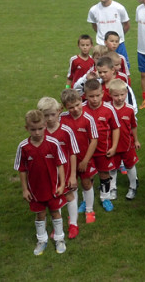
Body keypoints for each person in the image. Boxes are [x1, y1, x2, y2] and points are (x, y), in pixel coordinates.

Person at [15, 110, 67, 255]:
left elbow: (60, 164)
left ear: (45, 126)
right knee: (40, 214)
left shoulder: (53, 143)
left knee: (56, 213)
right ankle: (42, 240)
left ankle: (59, 238)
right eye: (33, 129)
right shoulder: (23, 147)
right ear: (27, 128)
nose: (37, 132)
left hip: (53, 187)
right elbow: (22, 170)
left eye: (40, 128)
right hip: (35, 190)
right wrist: (25, 190)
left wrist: (62, 184)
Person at [37, 97, 80, 240]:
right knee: (55, 198)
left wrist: (73, 175)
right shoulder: (40, 132)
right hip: (49, 174)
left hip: (66, 171)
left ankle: (73, 224)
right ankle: (58, 227)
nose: (49, 119)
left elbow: (73, 153)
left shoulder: (66, 130)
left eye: (52, 114)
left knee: (69, 195)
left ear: (59, 112)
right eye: (45, 115)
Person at [60, 89, 99, 224]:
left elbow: (94, 140)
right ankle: (74, 212)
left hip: (84, 159)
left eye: (78, 104)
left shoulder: (88, 119)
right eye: (71, 107)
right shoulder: (62, 118)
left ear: (81, 101)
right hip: (69, 161)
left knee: (87, 184)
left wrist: (86, 160)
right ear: (65, 107)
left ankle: (89, 210)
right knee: (72, 185)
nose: (76, 109)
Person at [82, 79, 120, 213]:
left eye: (97, 95)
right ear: (85, 95)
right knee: (87, 177)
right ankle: (86, 200)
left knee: (104, 174)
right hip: (87, 152)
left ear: (103, 93)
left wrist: (114, 146)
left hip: (104, 150)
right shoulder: (81, 109)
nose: (94, 99)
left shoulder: (109, 109)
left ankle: (105, 198)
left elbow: (116, 128)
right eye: (91, 96)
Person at [108, 79, 140, 201]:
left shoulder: (130, 109)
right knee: (112, 167)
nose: (119, 98)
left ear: (126, 93)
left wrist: (136, 140)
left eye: (122, 95)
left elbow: (133, 126)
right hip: (112, 145)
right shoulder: (108, 109)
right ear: (110, 95)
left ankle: (132, 186)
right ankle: (112, 188)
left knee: (130, 165)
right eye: (116, 95)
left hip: (127, 144)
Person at [87, 0, 131, 65]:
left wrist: (117, 37)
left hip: (119, 45)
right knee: (103, 69)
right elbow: (94, 26)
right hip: (102, 46)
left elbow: (127, 25)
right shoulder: (93, 10)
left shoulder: (119, 8)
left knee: (123, 68)